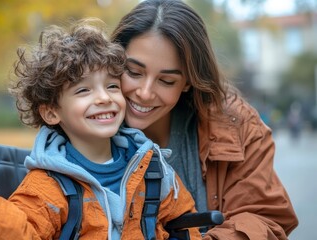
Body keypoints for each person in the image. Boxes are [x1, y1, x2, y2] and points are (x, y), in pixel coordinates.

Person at [0, 18, 201, 240]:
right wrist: (2, 217)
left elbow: (184, 219)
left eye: (112, 86)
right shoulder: (47, 185)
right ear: (52, 112)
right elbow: (28, 234)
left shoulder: (151, 167)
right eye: (83, 90)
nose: (104, 97)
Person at [111, 0, 298, 239]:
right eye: (134, 72)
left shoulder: (237, 125)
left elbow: (265, 218)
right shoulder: (78, 120)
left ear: (189, 80)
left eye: (166, 81)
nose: (145, 93)